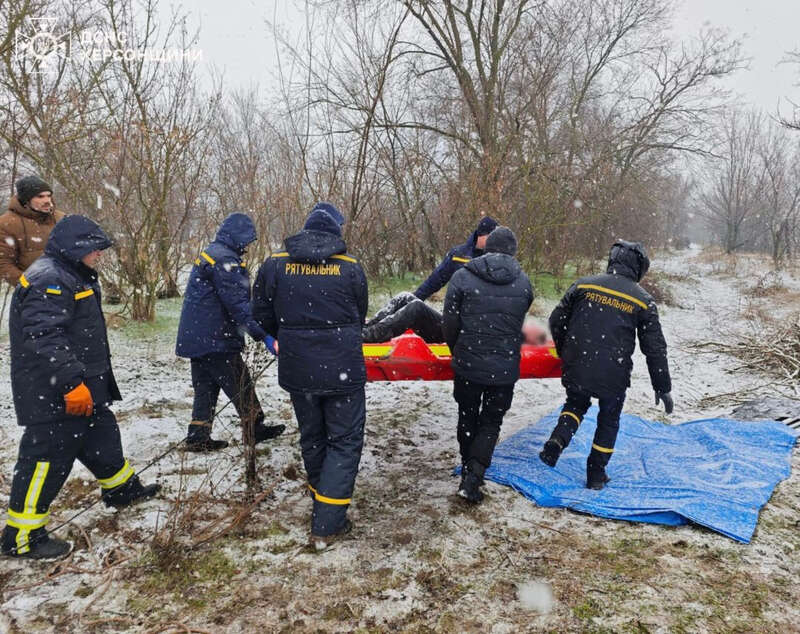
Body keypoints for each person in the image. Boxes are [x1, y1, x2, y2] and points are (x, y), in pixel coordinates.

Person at [1, 215, 160, 560]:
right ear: (75, 248)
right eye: (94, 249)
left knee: (101, 434)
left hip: (84, 385)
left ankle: (121, 490)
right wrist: (72, 384)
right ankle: (22, 535)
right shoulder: (50, 280)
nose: (100, 255)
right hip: (55, 390)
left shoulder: (72, 273)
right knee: (46, 457)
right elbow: (46, 337)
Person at [252, 204, 368, 549]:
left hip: (298, 367)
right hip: (341, 366)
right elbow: (358, 312)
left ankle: (323, 498)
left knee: (313, 435)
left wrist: (286, 336)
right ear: (335, 233)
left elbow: (260, 312)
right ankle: (327, 523)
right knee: (345, 441)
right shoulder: (350, 267)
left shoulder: (274, 264)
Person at [539, 240, 673, 490]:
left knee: (576, 404)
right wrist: (662, 385)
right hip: (614, 370)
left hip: (578, 363)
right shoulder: (643, 300)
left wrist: (566, 351)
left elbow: (556, 319)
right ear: (639, 268)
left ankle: (558, 440)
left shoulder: (583, 285)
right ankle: (596, 473)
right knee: (609, 419)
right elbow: (654, 347)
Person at [176, 213, 285, 452]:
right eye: (246, 240)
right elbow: (238, 306)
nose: (247, 246)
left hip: (197, 336)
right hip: (216, 337)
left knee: (206, 385)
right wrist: (264, 335)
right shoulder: (226, 261)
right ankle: (254, 428)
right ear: (238, 237)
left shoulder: (214, 252)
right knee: (240, 381)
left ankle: (198, 435)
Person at [442, 226, 533, 503]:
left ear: (486, 247)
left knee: (467, 416)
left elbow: (449, 322)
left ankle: (468, 471)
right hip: (503, 368)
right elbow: (519, 322)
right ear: (513, 251)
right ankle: (473, 477)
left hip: (468, 362)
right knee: (491, 422)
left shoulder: (462, 277)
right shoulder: (524, 283)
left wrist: (457, 348)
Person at [362, 291, 547, 346]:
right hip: (451, 323)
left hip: (451, 332)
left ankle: (373, 334)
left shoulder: (507, 327)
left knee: (416, 308)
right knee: (405, 297)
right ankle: (368, 327)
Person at [0, 175, 66, 287]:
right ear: (26, 200)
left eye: (48, 196)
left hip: (67, 289)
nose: (47, 200)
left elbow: (77, 251)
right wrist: (30, 285)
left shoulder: (61, 218)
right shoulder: (7, 224)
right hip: (34, 295)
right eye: (40, 196)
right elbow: (3, 264)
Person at [413, 216, 498, 301]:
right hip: (461, 308)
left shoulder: (497, 257)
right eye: (491, 236)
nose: (494, 241)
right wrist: (415, 298)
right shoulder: (458, 255)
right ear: (482, 234)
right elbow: (437, 279)